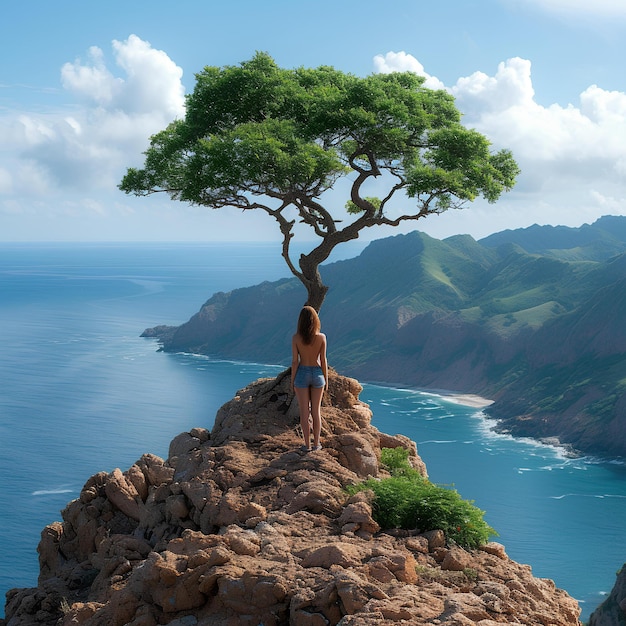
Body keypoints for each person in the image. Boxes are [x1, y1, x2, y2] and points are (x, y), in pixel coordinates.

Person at [291, 305, 328, 451]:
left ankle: (306, 445)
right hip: (318, 374)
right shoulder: (321, 337)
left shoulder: (296, 338)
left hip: (302, 374)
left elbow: (295, 362)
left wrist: (292, 380)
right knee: (316, 411)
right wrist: (326, 379)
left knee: (304, 413)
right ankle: (316, 444)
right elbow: (323, 360)